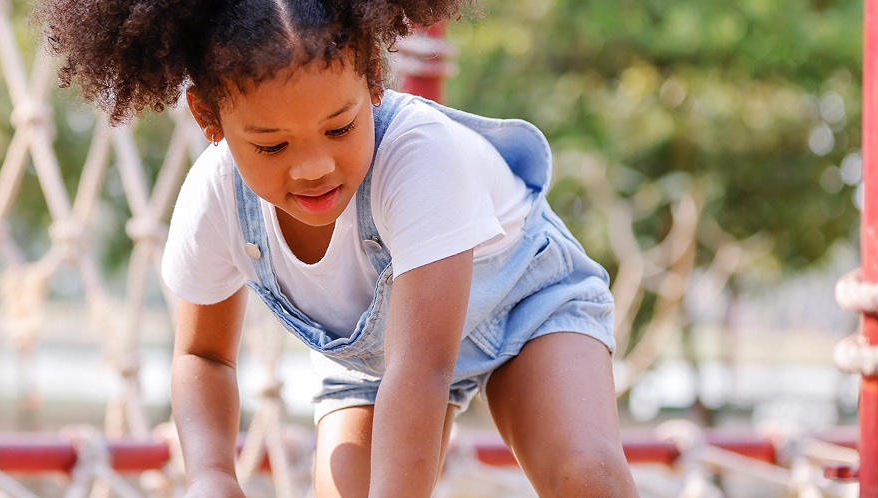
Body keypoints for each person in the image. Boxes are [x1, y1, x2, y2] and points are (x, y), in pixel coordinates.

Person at [37, 0, 638, 496]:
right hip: (380, 360)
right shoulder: (217, 198)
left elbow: (423, 368)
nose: (315, 167)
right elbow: (203, 358)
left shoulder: (419, 158)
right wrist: (213, 473)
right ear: (208, 116)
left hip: (523, 303)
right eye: (272, 146)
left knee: (586, 477)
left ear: (374, 76)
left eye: (340, 128)